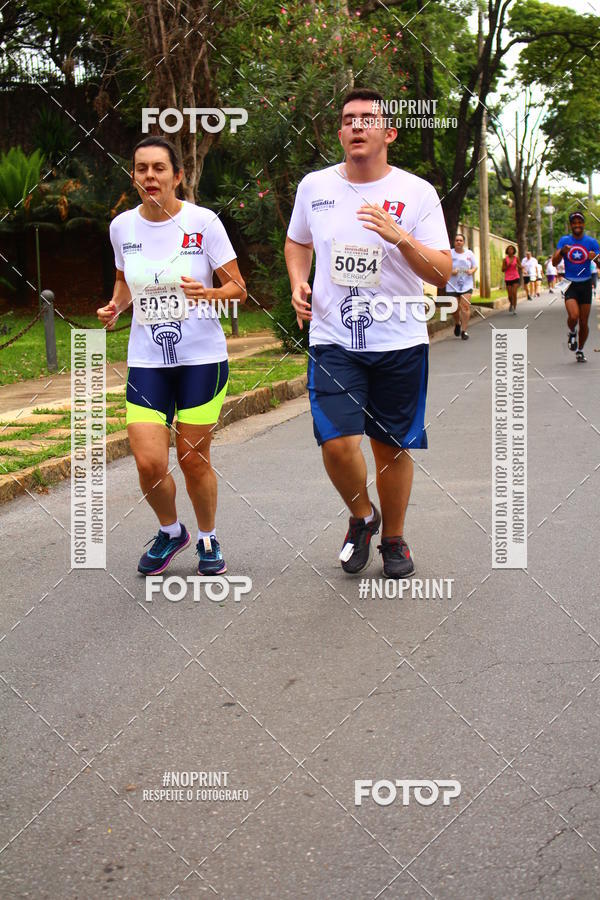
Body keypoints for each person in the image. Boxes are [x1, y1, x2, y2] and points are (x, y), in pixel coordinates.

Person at [285, 87, 451, 578]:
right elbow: (298, 243)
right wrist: (299, 280)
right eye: (347, 119)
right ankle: (363, 515)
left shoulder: (417, 192)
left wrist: (397, 235)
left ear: (389, 133)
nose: (356, 125)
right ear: (340, 133)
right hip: (334, 339)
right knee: (337, 443)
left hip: (398, 341)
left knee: (391, 448)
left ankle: (394, 539)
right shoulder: (315, 186)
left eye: (367, 118)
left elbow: (442, 273)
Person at [97, 136, 247, 574]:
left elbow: (238, 288)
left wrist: (210, 292)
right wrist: (115, 306)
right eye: (141, 169)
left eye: (159, 168)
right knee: (147, 461)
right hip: (148, 361)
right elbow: (125, 283)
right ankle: (170, 531)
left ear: (177, 176)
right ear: (134, 177)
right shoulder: (122, 227)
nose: (150, 176)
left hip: (201, 358)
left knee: (192, 457)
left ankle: (207, 538)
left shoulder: (204, 223)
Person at [551, 211, 599, 363]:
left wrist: (596, 258)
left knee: (584, 322)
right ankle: (572, 332)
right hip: (569, 283)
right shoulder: (564, 240)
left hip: (585, 283)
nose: (577, 225)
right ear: (571, 225)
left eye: (580, 222)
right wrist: (562, 252)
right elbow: (554, 262)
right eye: (574, 222)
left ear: (583, 225)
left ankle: (580, 350)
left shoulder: (591, 242)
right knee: (573, 316)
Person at [445, 234, 477, 341]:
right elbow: (444, 266)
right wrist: (451, 271)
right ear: (454, 242)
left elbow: (475, 266)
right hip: (452, 285)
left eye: (461, 240)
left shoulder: (469, 253)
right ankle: (457, 323)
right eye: (457, 240)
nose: (459, 242)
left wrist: (471, 271)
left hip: (466, 284)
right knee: (454, 308)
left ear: (464, 242)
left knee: (465, 307)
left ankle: (464, 331)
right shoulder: (449, 253)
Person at [502, 245, 521, 315]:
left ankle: (514, 308)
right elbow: (502, 269)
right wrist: (508, 265)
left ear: (514, 251)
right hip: (508, 278)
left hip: (515, 277)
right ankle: (511, 303)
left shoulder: (516, 258)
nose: (510, 251)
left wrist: (519, 266)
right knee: (510, 295)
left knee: (514, 293)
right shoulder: (505, 259)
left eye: (512, 249)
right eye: (509, 249)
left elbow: (520, 266)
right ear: (507, 251)